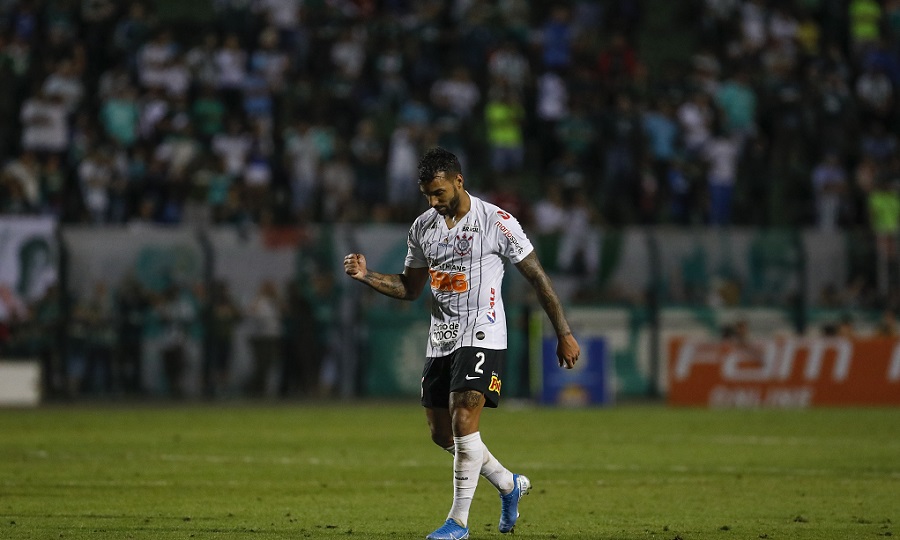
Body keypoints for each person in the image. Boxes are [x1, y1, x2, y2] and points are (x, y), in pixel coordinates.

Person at [343, 147, 581, 540]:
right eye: (427, 195)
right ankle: (508, 483)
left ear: (459, 181)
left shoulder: (497, 222)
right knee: (442, 434)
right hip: (441, 337)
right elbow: (410, 288)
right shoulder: (422, 227)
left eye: (438, 193)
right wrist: (368, 276)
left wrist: (564, 332)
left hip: (484, 330)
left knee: (463, 416)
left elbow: (538, 278)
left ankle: (458, 523)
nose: (433, 202)